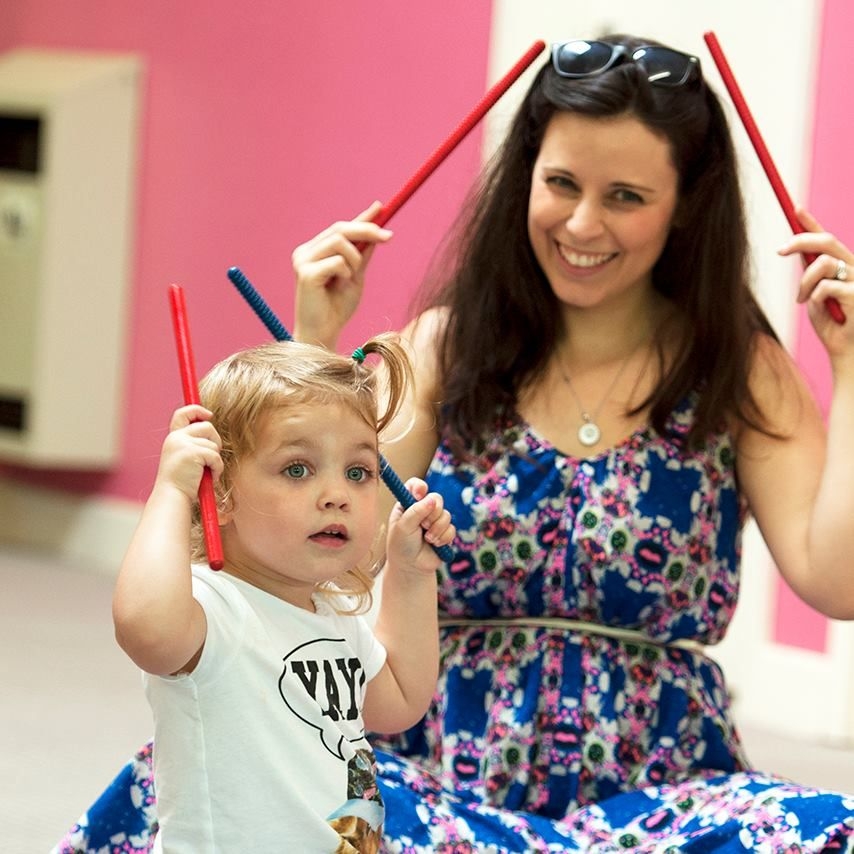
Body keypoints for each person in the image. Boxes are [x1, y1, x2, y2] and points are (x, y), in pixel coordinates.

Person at [55, 33, 854, 853]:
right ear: (525, 181)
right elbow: (326, 547)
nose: (582, 222)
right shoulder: (443, 348)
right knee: (220, 778)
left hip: (662, 789)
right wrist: (317, 339)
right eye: (562, 184)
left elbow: (838, 583)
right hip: (436, 771)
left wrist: (852, 365)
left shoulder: (741, 368)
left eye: (625, 196)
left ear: (685, 204)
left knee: (824, 831)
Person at [92, 335, 454, 853]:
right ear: (218, 489)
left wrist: (411, 574)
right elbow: (144, 629)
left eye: (358, 472)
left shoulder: (331, 614)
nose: (337, 496)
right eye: (297, 469)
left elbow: (398, 703)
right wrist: (171, 490)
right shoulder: (213, 608)